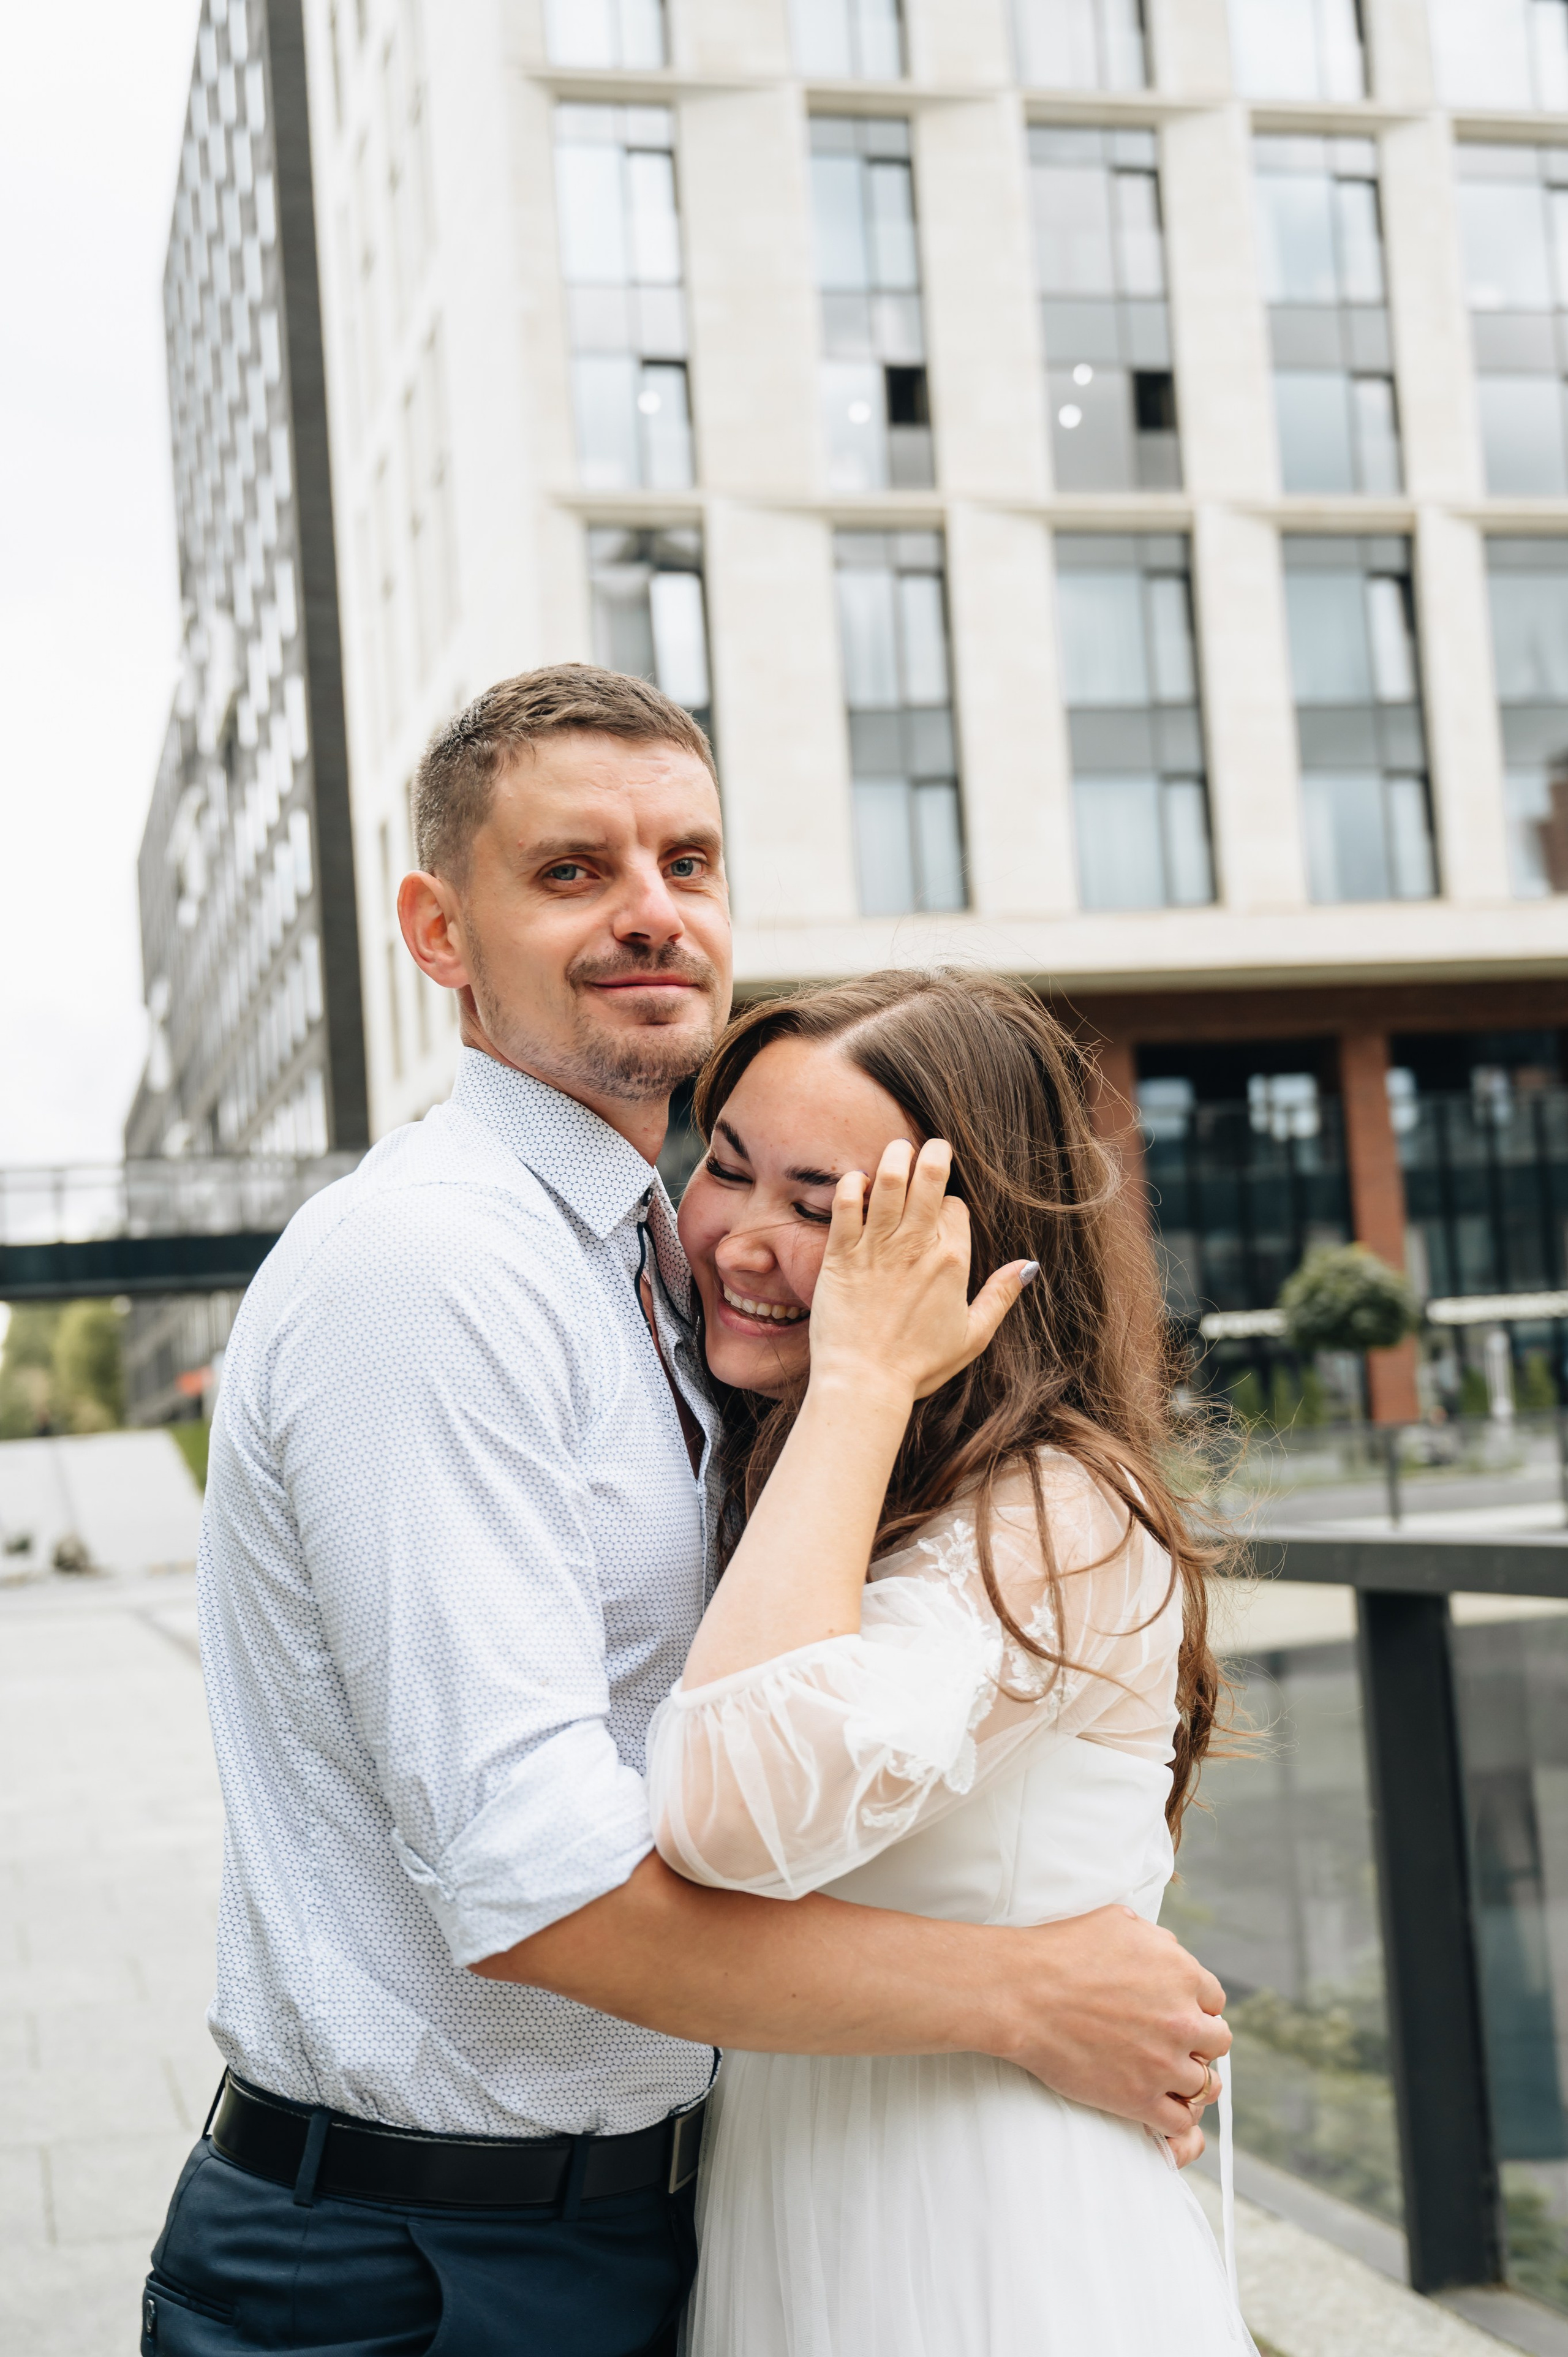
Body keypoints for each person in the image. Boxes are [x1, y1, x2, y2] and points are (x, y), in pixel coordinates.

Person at [141, 666, 1229, 2357]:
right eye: (572, 871)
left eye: (690, 863)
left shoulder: (659, 1283)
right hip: (424, 2263)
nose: (651, 914)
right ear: (439, 931)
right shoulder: (441, 1270)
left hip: (647, 2222)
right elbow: (536, 1883)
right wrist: (1027, 1996)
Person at [649, 968, 1253, 2355]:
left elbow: (728, 1809)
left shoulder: (1062, 1510)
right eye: (725, 1169)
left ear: (975, 1250)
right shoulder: (787, 1467)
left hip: (986, 2246)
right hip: (800, 2216)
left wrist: (862, 1378)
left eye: (828, 1212)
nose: (743, 1239)